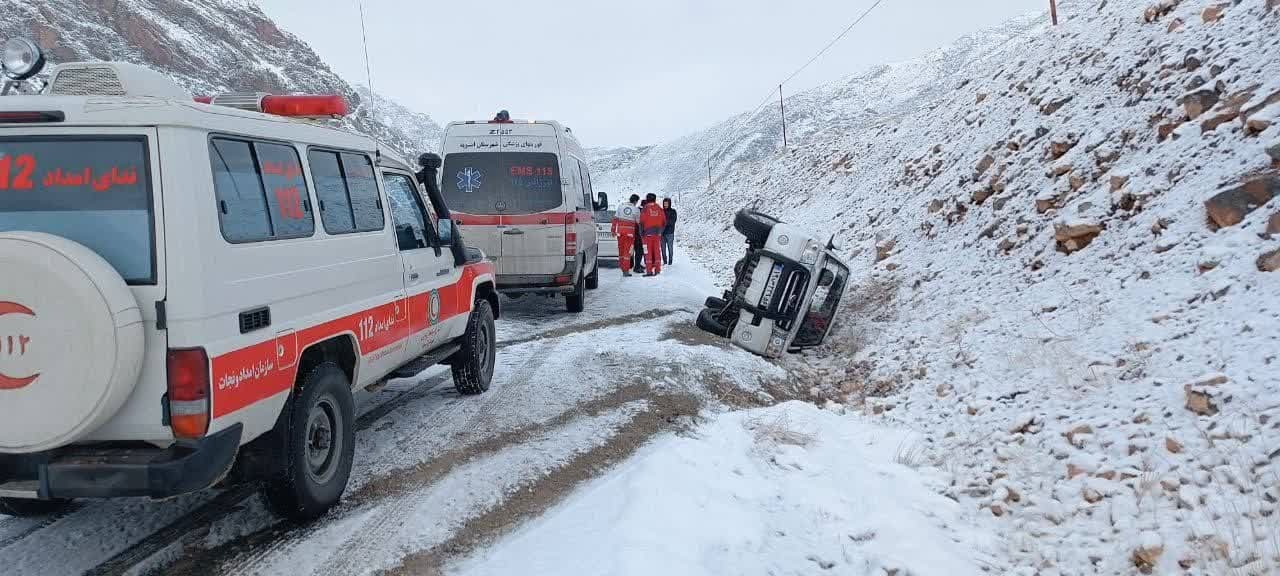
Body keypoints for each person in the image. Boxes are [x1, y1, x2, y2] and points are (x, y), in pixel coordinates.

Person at [639, 193, 667, 276]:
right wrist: (660, 231)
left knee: (647, 252)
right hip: (657, 234)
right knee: (657, 252)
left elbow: (641, 222)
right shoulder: (659, 208)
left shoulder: (645, 208)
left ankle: (649, 271)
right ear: (655, 199)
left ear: (647, 199)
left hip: (647, 235)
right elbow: (664, 222)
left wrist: (641, 233)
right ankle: (657, 270)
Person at [612, 194, 641, 277]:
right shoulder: (636, 209)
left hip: (620, 233)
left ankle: (622, 268)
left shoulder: (621, 206)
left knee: (621, 251)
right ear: (635, 201)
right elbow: (638, 222)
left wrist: (613, 230)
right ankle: (626, 271)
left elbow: (615, 219)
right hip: (630, 235)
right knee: (627, 253)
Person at [661, 198, 677, 265]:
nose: (665, 205)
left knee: (670, 248)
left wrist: (664, 223)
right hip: (662, 233)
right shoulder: (661, 211)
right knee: (663, 248)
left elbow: (672, 221)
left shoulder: (673, 211)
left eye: (667, 203)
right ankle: (665, 261)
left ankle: (670, 261)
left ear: (669, 203)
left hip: (670, 233)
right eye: (664, 203)